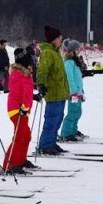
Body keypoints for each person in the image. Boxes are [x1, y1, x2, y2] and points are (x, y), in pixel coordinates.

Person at [35, 26, 70, 156]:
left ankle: (52, 142)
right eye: (59, 38)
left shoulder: (56, 52)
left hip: (60, 93)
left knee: (58, 118)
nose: (61, 40)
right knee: (51, 119)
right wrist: (41, 84)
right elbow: (42, 70)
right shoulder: (48, 53)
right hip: (53, 93)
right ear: (53, 39)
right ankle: (45, 145)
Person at [1, 48, 36, 174]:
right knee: (20, 136)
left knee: (26, 135)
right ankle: (10, 164)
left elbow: (23, 92)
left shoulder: (20, 74)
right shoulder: (22, 75)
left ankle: (20, 160)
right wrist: (25, 107)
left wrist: (33, 97)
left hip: (20, 109)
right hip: (18, 110)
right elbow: (24, 94)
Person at [58, 40, 86, 141]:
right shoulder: (69, 62)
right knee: (72, 112)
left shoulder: (75, 61)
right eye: (78, 49)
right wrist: (73, 92)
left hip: (78, 92)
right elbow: (69, 78)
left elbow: (78, 78)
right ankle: (66, 133)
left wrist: (81, 92)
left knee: (78, 112)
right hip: (72, 93)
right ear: (73, 50)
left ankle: (73, 130)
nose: (79, 51)